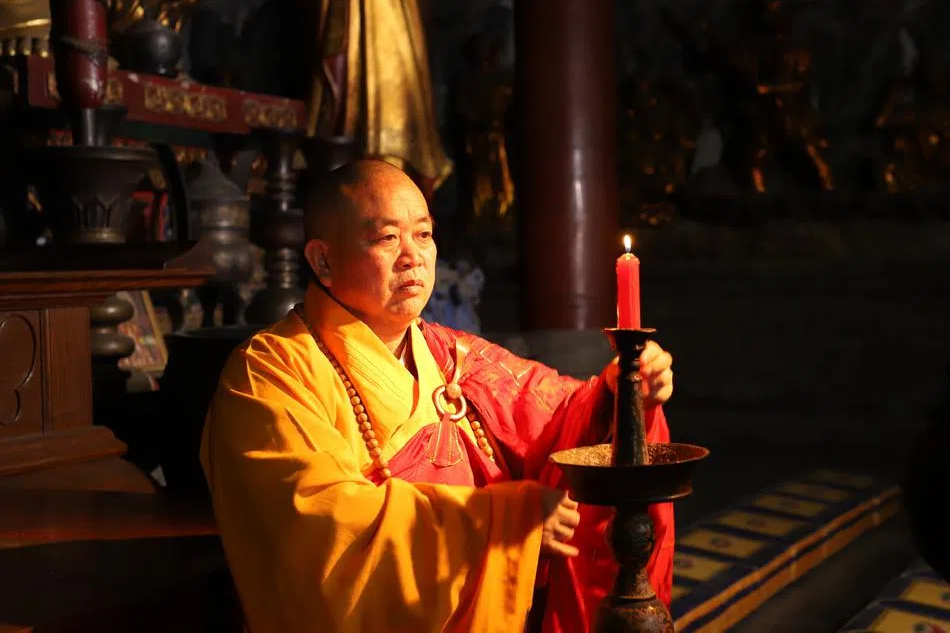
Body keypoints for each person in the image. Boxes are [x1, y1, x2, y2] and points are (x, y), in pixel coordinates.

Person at [200, 160, 676, 633]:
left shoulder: (457, 357)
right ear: (323, 260)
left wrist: (620, 394)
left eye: (423, 234)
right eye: (387, 238)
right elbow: (319, 528)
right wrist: (505, 522)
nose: (413, 256)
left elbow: (564, 418)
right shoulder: (269, 373)